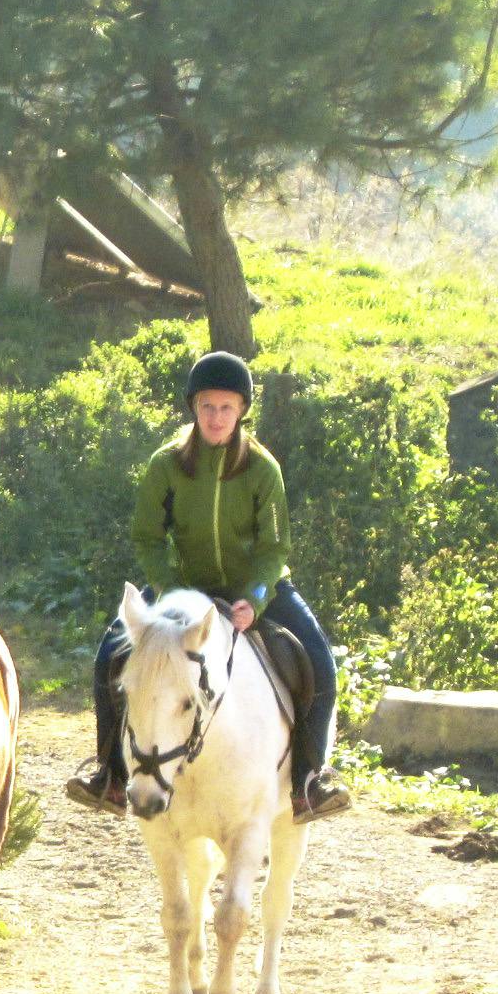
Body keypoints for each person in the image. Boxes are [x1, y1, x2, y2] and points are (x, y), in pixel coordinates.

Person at [66, 350, 350, 821]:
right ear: (193, 409)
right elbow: (148, 537)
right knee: (109, 655)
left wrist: (255, 598)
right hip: (184, 588)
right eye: (206, 407)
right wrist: (174, 590)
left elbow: (274, 546)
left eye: (226, 408)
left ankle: (309, 780)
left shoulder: (263, 469)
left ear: (241, 411)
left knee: (320, 662)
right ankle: (109, 775)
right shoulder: (166, 465)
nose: (216, 418)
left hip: (259, 590)